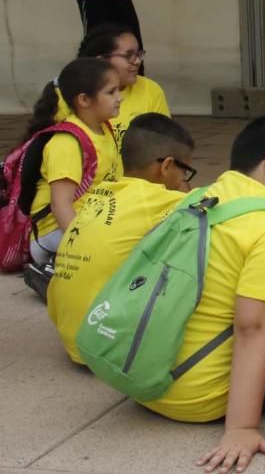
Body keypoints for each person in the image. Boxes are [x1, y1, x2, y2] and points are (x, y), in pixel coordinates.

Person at [136, 112, 265, 474]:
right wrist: (242, 428)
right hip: (202, 395)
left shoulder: (200, 198)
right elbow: (253, 328)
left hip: (148, 382)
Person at [47, 113, 195, 363]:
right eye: (186, 171)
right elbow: (220, 203)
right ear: (166, 166)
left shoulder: (103, 193)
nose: (185, 180)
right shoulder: (154, 198)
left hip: (72, 337)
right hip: (109, 345)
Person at [24, 57, 123, 267]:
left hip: (93, 223)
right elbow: (61, 205)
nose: (120, 97)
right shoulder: (67, 142)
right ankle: (53, 267)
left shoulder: (105, 129)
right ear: (84, 100)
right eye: (111, 92)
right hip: (56, 233)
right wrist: (83, 246)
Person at [57, 24, 169, 146]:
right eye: (128, 55)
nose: (137, 61)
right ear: (101, 61)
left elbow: (163, 143)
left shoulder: (150, 89)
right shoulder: (68, 93)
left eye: (138, 54)